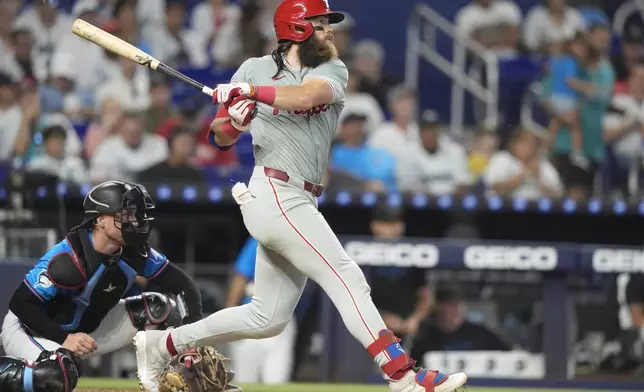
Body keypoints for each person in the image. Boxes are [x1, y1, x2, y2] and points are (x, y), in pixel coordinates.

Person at [131, 1, 468, 392]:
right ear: (298, 28)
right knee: (346, 275)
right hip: (273, 191)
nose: (329, 31)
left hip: (301, 198)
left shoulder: (331, 69)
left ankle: (163, 343)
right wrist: (237, 121)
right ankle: (402, 376)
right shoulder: (253, 69)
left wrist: (252, 93)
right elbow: (219, 135)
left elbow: (307, 96)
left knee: (267, 318)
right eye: (321, 23)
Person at [0, 181, 244, 391]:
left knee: (162, 308)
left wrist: (191, 343)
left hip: (85, 332)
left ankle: (167, 377)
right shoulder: (67, 258)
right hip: (31, 331)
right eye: (125, 215)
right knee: (57, 376)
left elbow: (184, 285)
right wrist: (64, 338)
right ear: (101, 221)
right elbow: (21, 304)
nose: (135, 221)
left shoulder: (134, 252)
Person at [227, 237, 297, 384]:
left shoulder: (297, 241)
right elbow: (241, 276)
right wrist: (230, 315)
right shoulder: (259, 240)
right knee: (245, 381)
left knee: (276, 381)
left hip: (280, 318)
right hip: (252, 316)